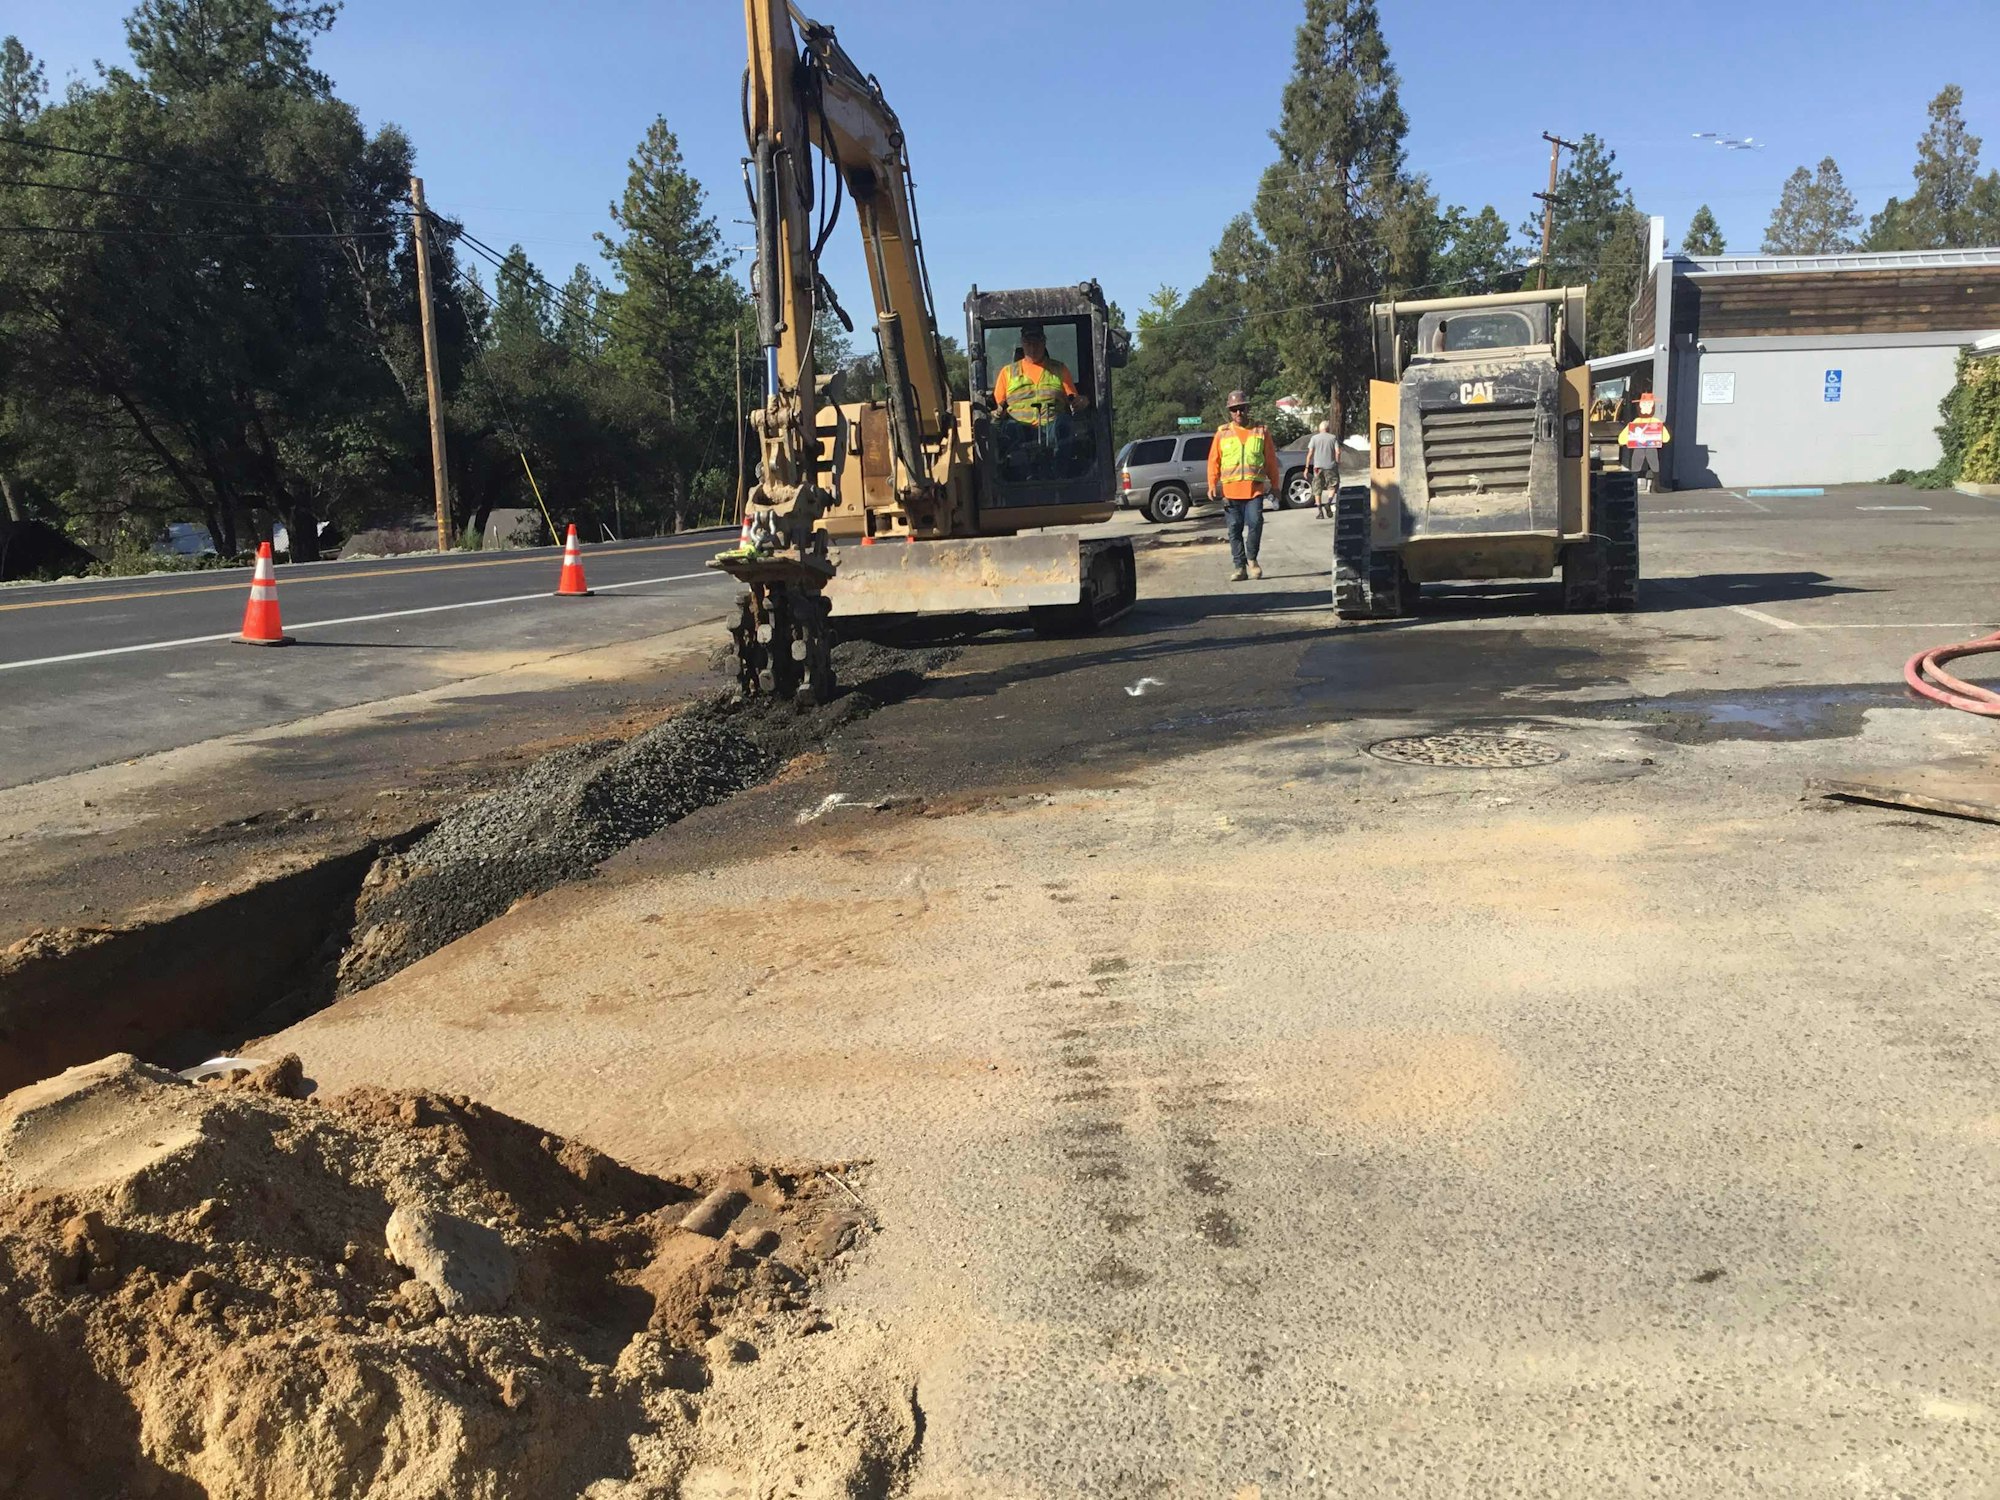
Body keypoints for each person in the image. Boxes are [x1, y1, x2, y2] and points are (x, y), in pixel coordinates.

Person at [1207, 391, 1280, 582]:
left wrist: (1275, 485)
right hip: (1231, 492)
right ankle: (1240, 567)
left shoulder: (1261, 431)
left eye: (1241, 408)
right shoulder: (1222, 433)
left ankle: (1252, 559)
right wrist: (1212, 483)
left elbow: (1271, 460)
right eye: (1234, 410)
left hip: (1254, 490)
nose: (1238, 412)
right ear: (1230, 412)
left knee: (1256, 523)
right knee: (1234, 529)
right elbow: (1214, 461)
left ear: (1247, 409)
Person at [1617, 391, 1671, 492]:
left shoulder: (1656, 422)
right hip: (1639, 447)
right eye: (1644, 404)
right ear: (1640, 407)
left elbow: (1666, 437)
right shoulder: (1636, 422)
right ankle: (1633, 485)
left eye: (1649, 404)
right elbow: (1623, 437)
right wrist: (1624, 439)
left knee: (1654, 464)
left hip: (1651, 447)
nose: (1646, 407)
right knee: (1636, 464)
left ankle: (1656, 486)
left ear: (1653, 407)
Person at [1305, 419, 1342, 519]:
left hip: (1317, 467)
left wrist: (1306, 467)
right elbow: (1338, 452)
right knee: (1332, 486)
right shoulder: (1333, 438)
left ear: (1319, 429)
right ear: (1328, 428)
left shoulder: (1314, 438)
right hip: (1330, 466)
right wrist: (1337, 462)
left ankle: (1320, 512)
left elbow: (1310, 454)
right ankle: (1328, 503)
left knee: (1317, 489)